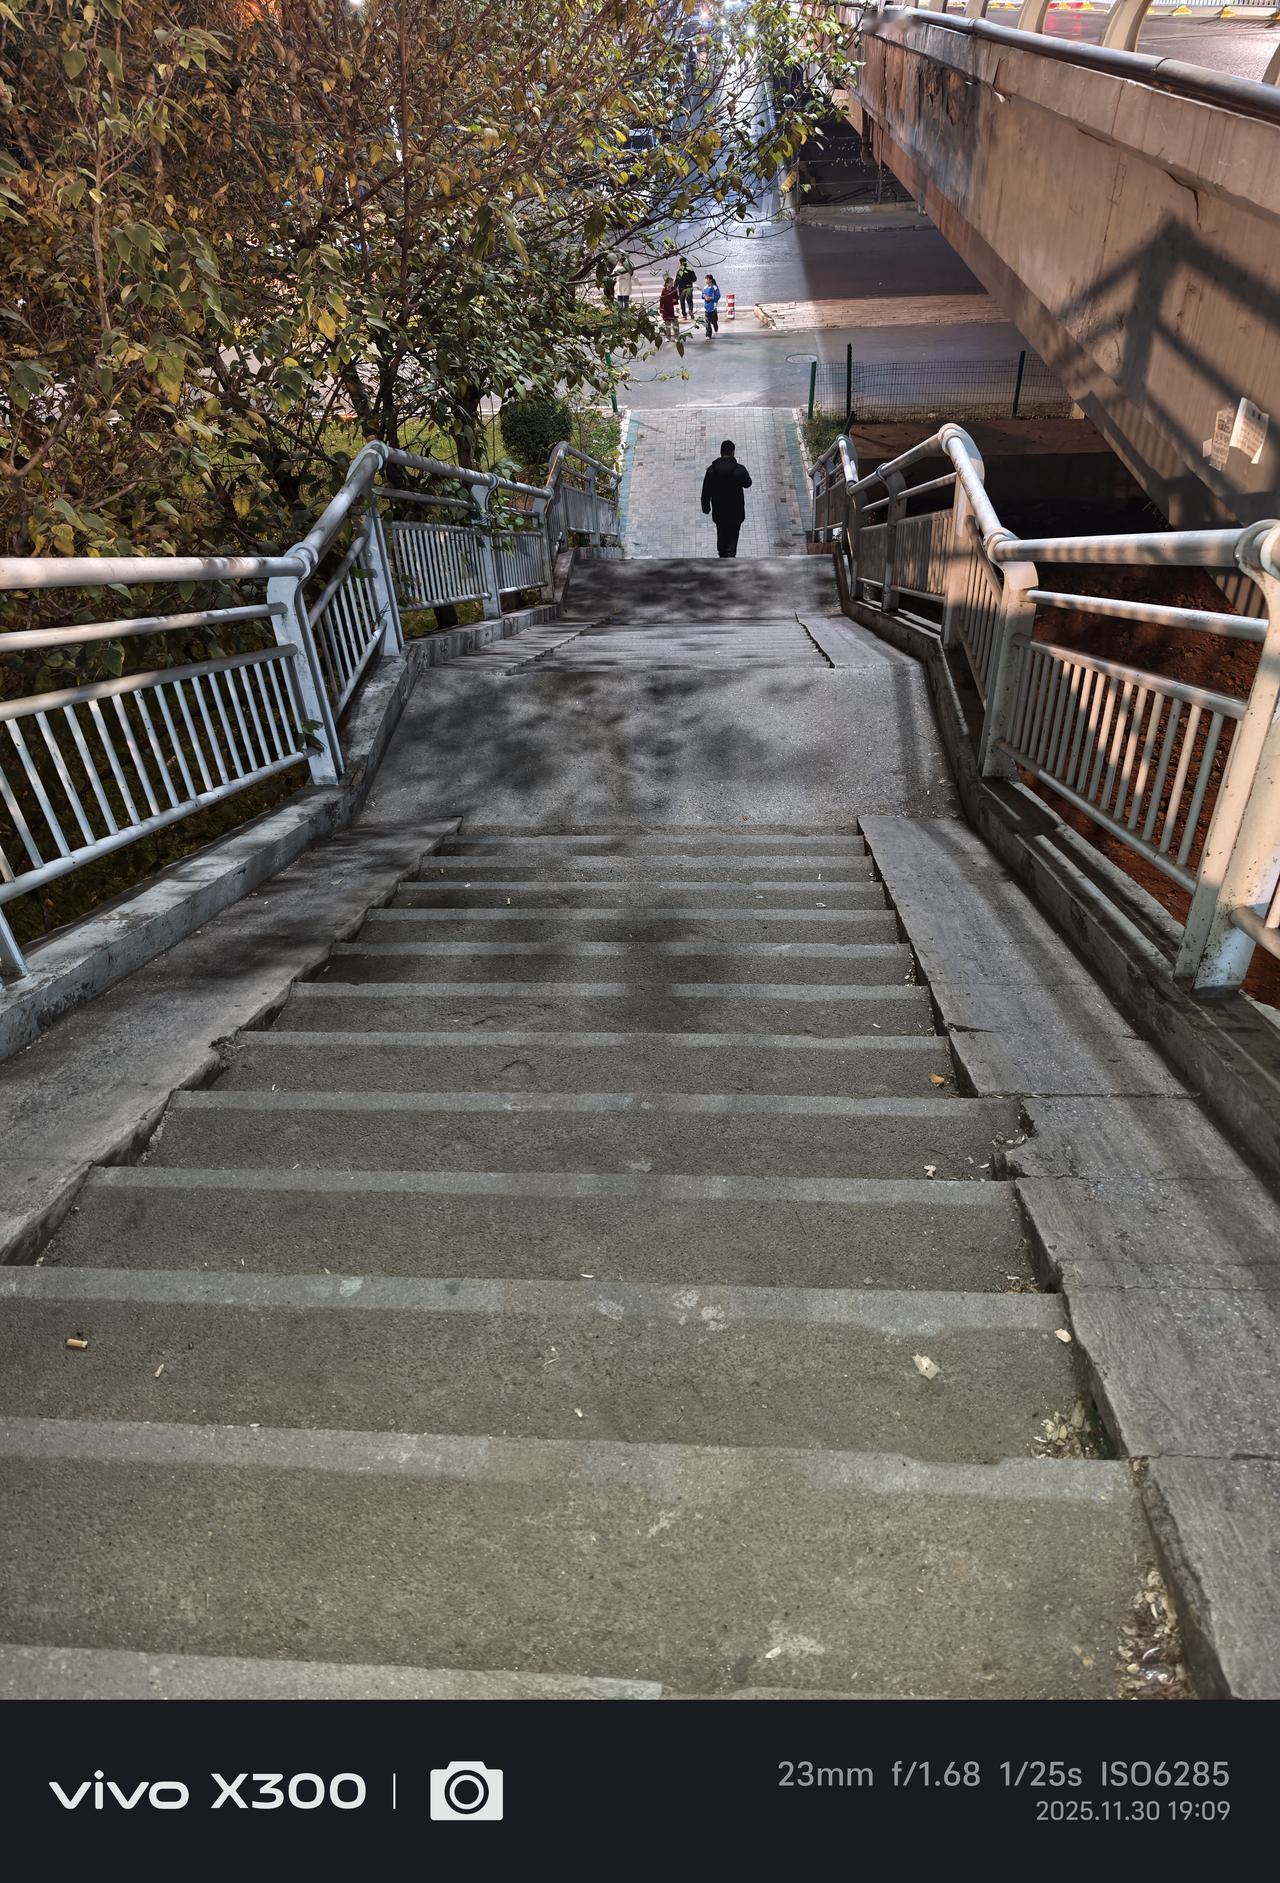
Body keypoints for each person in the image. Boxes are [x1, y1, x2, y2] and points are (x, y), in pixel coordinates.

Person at [700, 438, 752, 559]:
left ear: (721, 452)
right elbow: (748, 483)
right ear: (733, 452)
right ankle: (730, 559)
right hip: (736, 512)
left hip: (719, 511)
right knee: (732, 540)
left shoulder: (712, 471)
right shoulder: (739, 470)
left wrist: (706, 507)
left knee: (721, 535)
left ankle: (721, 557)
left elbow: (706, 491)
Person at [675, 257, 697, 322]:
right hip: (689, 287)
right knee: (690, 301)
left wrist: (674, 287)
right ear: (686, 262)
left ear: (680, 263)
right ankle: (690, 310)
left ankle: (684, 315)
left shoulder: (680, 271)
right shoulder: (690, 269)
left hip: (682, 288)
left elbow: (677, 280)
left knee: (682, 302)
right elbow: (694, 279)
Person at [658, 274, 680, 339]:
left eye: (672, 282)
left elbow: (677, 298)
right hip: (667, 309)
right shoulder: (664, 290)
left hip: (674, 308)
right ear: (667, 283)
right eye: (671, 282)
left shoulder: (674, 289)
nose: (672, 284)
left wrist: (677, 311)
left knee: (675, 323)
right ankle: (668, 337)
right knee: (667, 324)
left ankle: (677, 336)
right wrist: (661, 310)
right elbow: (662, 300)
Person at [701, 273, 721, 340]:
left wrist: (711, 298)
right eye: (705, 279)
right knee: (707, 322)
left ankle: (715, 325)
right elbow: (702, 295)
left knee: (713, 320)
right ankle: (708, 334)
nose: (705, 280)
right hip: (706, 307)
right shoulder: (705, 287)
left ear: (710, 280)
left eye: (706, 279)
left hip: (713, 308)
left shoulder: (715, 287)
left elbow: (718, 296)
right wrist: (704, 297)